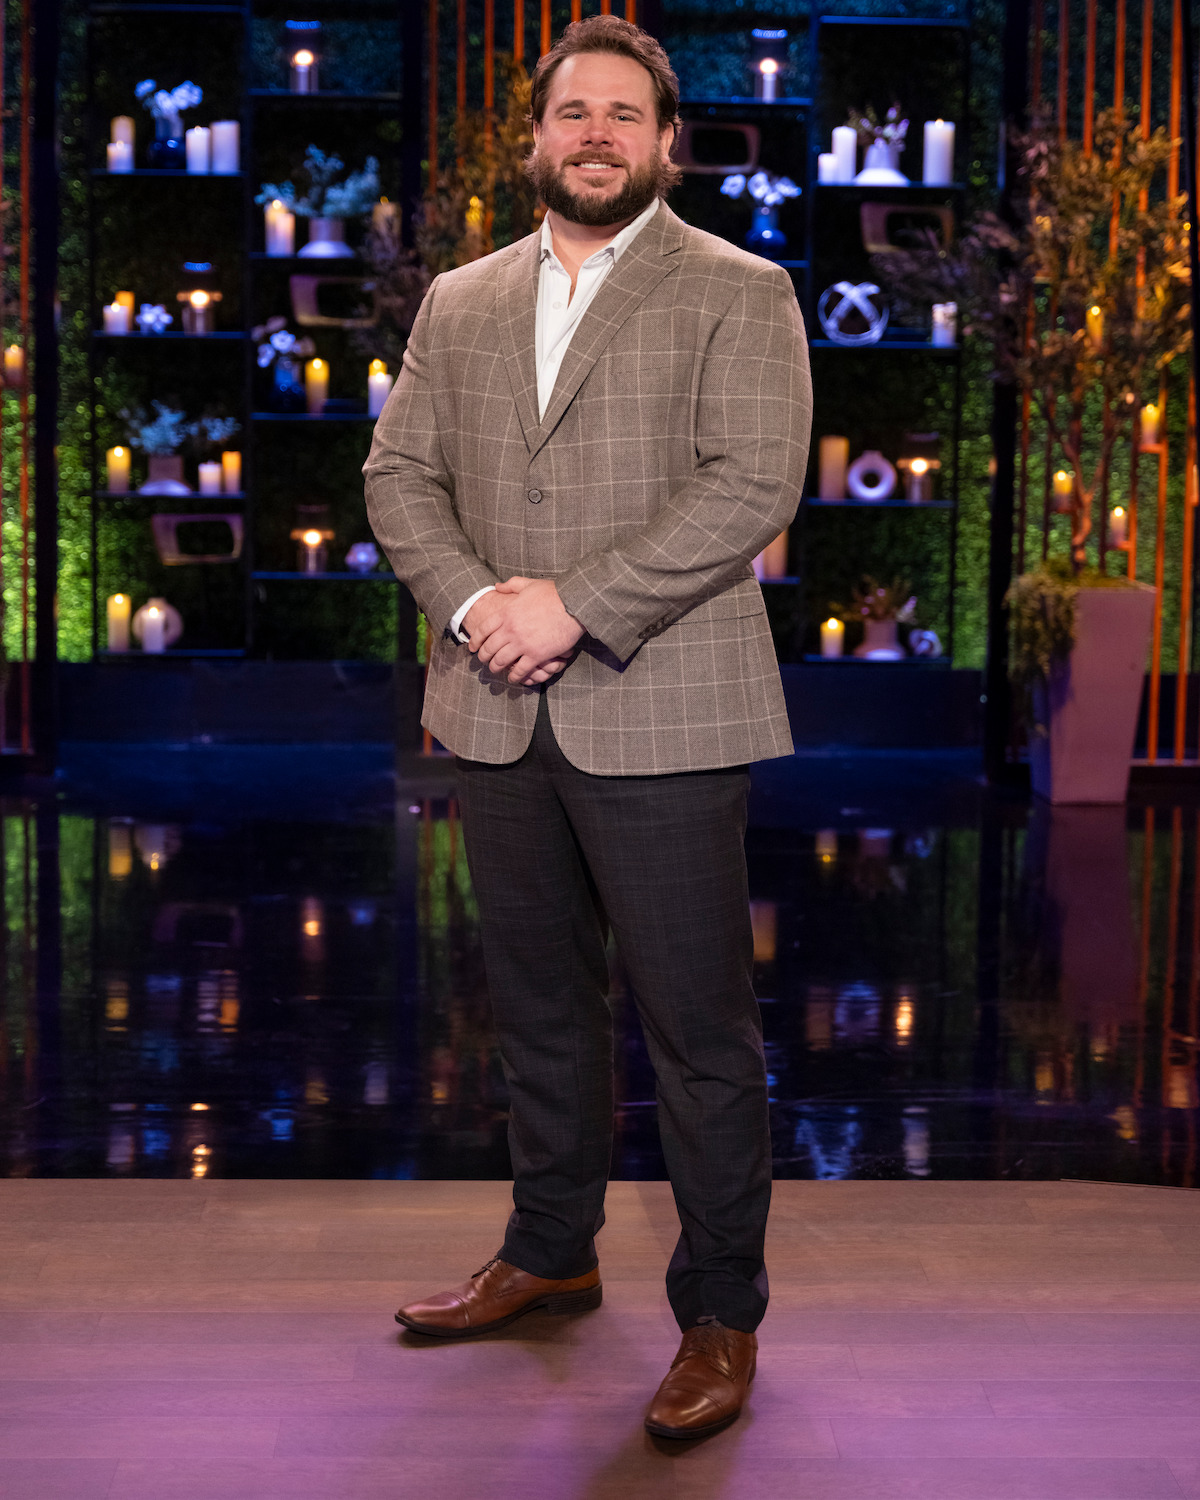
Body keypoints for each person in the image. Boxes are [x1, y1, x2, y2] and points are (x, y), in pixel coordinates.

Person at [364, 13, 811, 1440]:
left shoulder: (740, 290)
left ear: (667, 145)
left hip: (665, 702)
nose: (599, 135)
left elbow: (752, 486)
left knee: (699, 1034)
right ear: (537, 135)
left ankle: (720, 1319)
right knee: (542, 1015)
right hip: (492, 702)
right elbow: (397, 476)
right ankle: (552, 1249)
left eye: (628, 115)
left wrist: (574, 605)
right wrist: (481, 601)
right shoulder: (461, 297)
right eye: (576, 113)